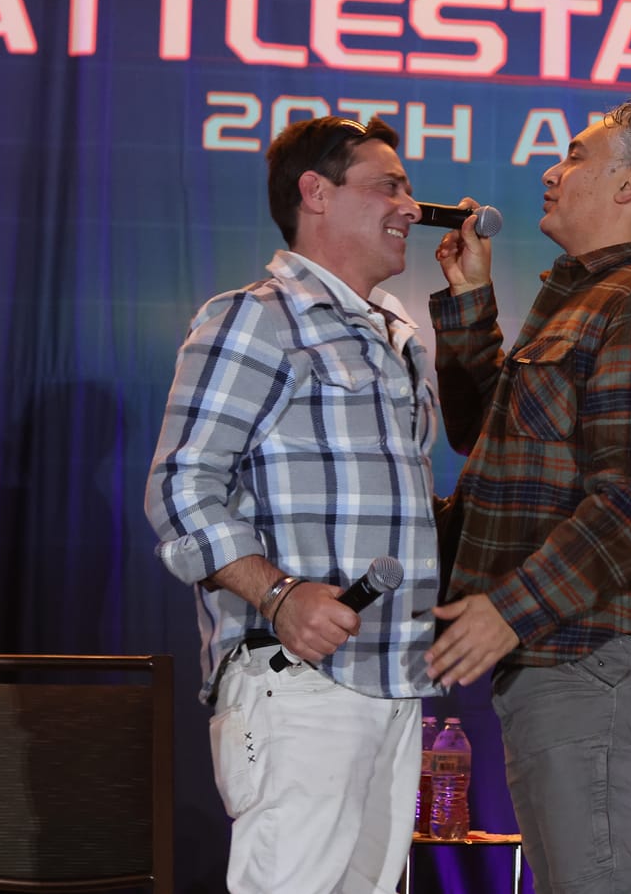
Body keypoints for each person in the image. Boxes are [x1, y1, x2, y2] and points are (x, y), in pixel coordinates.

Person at [425, 97, 631, 894]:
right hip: (557, 652)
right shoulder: (584, 296)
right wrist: (468, 304)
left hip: (588, 654)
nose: (552, 172)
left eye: (576, 156)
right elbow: (486, 440)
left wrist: (506, 608)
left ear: (629, 185)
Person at [145, 114, 441, 894]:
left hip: (395, 679)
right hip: (302, 685)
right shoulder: (257, 317)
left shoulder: (396, 336)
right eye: (390, 186)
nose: (411, 206)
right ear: (316, 192)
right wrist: (279, 596)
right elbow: (180, 488)